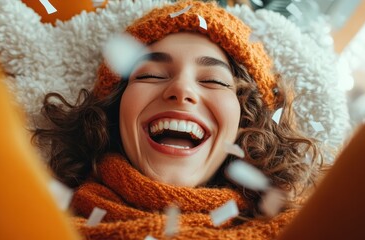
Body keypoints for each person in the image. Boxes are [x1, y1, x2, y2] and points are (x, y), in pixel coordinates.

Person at [33, 1, 324, 239]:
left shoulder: (305, 230)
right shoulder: (29, 220)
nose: (181, 90)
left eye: (214, 81)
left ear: (249, 122)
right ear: (111, 111)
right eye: (151, 75)